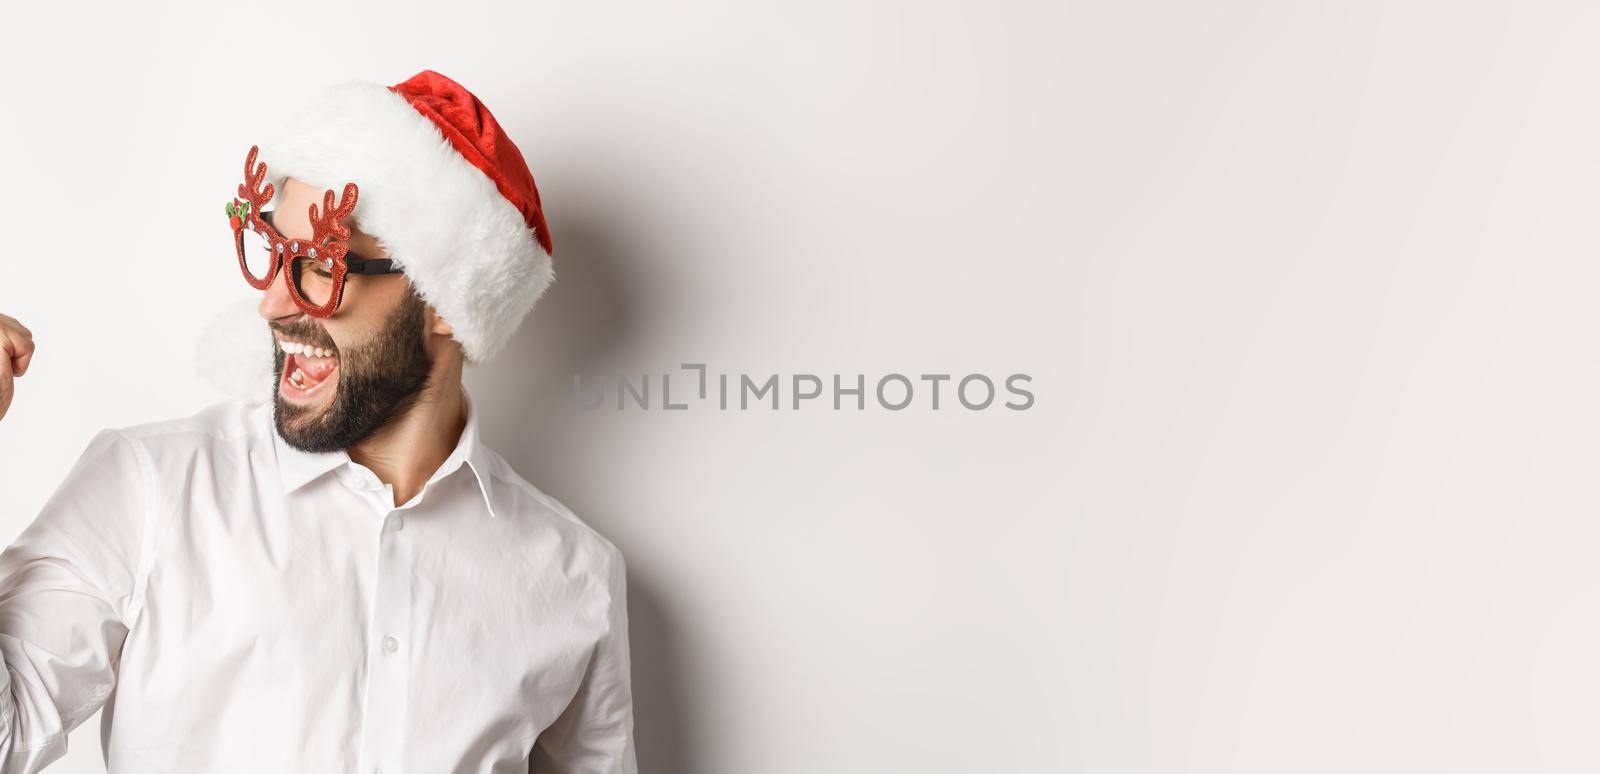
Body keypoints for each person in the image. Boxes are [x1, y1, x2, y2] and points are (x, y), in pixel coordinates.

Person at [0, 70, 636, 773]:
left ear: (450, 298)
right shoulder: (150, 487)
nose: (273, 305)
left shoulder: (575, 579)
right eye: (274, 253)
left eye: (321, 264)